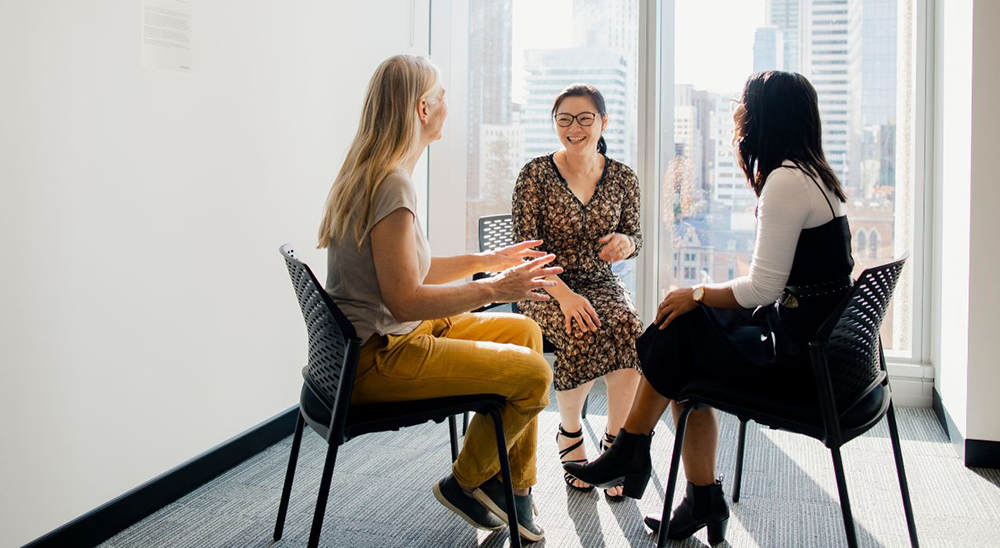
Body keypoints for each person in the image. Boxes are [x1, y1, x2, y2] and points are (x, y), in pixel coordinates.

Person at [566, 70, 855, 545]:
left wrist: (696, 292)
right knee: (681, 336)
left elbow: (762, 287)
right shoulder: (816, 175)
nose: (737, 113)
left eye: (743, 105)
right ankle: (668, 475)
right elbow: (780, 286)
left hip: (799, 364)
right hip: (815, 343)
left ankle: (637, 454)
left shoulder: (786, 181)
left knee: (678, 330)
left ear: (764, 116)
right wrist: (696, 299)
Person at [318, 54, 561, 543]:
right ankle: (466, 482)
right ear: (421, 109)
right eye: (441, 95)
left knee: (526, 331)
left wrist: (488, 260)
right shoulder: (392, 185)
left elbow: (412, 269)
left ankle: (514, 487)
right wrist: (497, 289)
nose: (448, 103)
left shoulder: (375, 172)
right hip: (380, 357)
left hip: (384, 341)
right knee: (536, 374)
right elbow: (406, 300)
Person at [512, 84, 643, 500]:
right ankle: (569, 435)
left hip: (599, 280)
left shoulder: (622, 177)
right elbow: (525, 253)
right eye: (564, 119)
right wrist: (565, 295)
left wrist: (626, 243)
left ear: (604, 122)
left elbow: (634, 235)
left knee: (628, 325)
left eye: (585, 118)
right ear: (555, 124)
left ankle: (616, 443)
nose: (574, 127)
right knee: (580, 325)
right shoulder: (534, 174)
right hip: (543, 284)